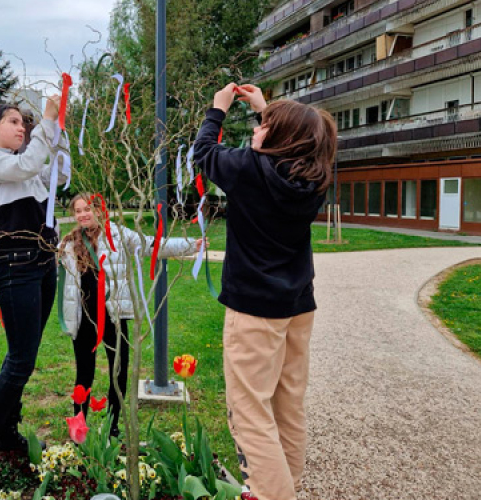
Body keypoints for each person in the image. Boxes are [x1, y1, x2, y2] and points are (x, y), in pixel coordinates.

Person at [193, 83, 337, 500]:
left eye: (265, 126)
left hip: (255, 311)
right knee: (287, 406)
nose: (257, 130)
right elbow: (284, 148)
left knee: (251, 413)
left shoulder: (248, 169)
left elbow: (204, 153)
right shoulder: (315, 175)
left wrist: (217, 110)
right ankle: (287, 487)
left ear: (276, 137)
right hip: (297, 305)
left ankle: (273, 494)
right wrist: (265, 109)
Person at [0, 95, 69, 499]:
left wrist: (57, 129)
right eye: (13, 122)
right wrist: (46, 121)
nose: (21, 128)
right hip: (17, 266)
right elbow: (28, 164)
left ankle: (6, 433)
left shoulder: (19, 166)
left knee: (25, 359)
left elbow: (56, 177)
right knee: (19, 360)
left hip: (43, 264)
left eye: (25, 124)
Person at [59, 193, 203, 437]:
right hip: (83, 319)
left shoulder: (118, 235)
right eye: (78, 210)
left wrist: (190, 245)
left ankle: (112, 426)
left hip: (114, 317)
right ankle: (79, 427)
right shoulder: (69, 243)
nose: (83, 214)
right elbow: (45, 269)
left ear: (100, 210)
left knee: (119, 371)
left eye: (88, 209)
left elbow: (151, 245)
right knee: (84, 372)